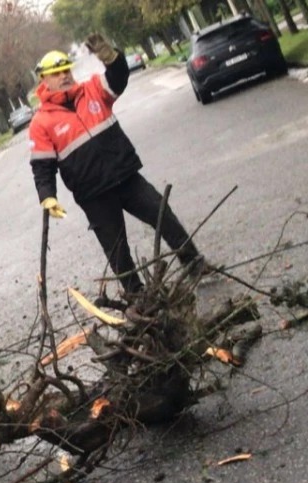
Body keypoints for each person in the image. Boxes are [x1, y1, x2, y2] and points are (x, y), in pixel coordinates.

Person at [28, 34, 208, 298]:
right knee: (117, 251)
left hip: (126, 177)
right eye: (57, 73)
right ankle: (138, 296)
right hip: (94, 196)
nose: (65, 75)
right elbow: (42, 167)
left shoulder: (92, 89)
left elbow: (119, 78)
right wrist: (47, 197)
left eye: (66, 70)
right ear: (44, 79)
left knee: (161, 213)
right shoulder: (41, 122)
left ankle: (194, 264)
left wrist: (111, 57)